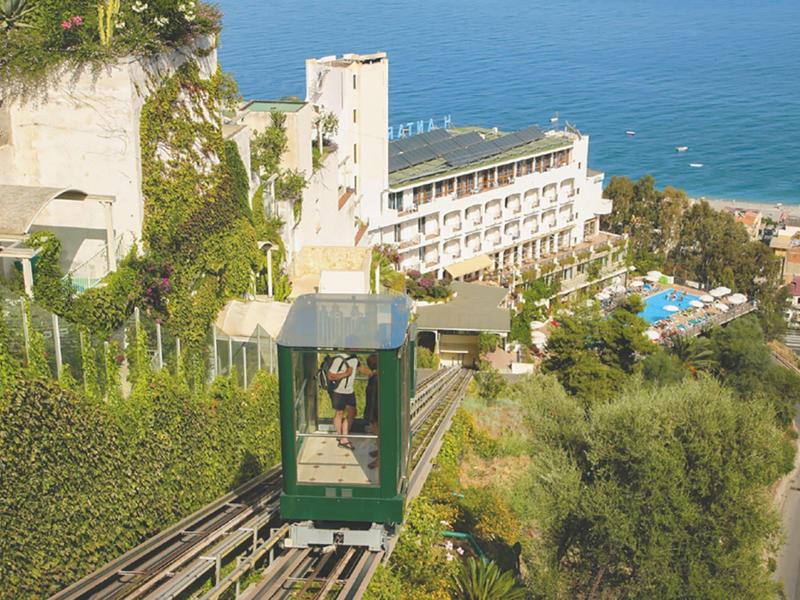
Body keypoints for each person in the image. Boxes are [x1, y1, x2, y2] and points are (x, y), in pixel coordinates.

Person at [328, 352, 359, 449]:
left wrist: (372, 373)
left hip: (350, 391)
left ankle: (344, 435)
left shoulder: (354, 358)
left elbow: (360, 368)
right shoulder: (339, 359)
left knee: (352, 412)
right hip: (339, 391)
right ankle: (343, 437)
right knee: (339, 413)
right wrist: (346, 373)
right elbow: (330, 376)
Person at [361, 354, 380, 469]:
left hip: (376, 412)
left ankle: (380, 459)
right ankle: (379, 452)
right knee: (377, 433)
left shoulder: (375, 379)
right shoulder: (375, 377)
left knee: (378, 433)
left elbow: (373, 398)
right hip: (375, 411)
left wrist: (371, 415)